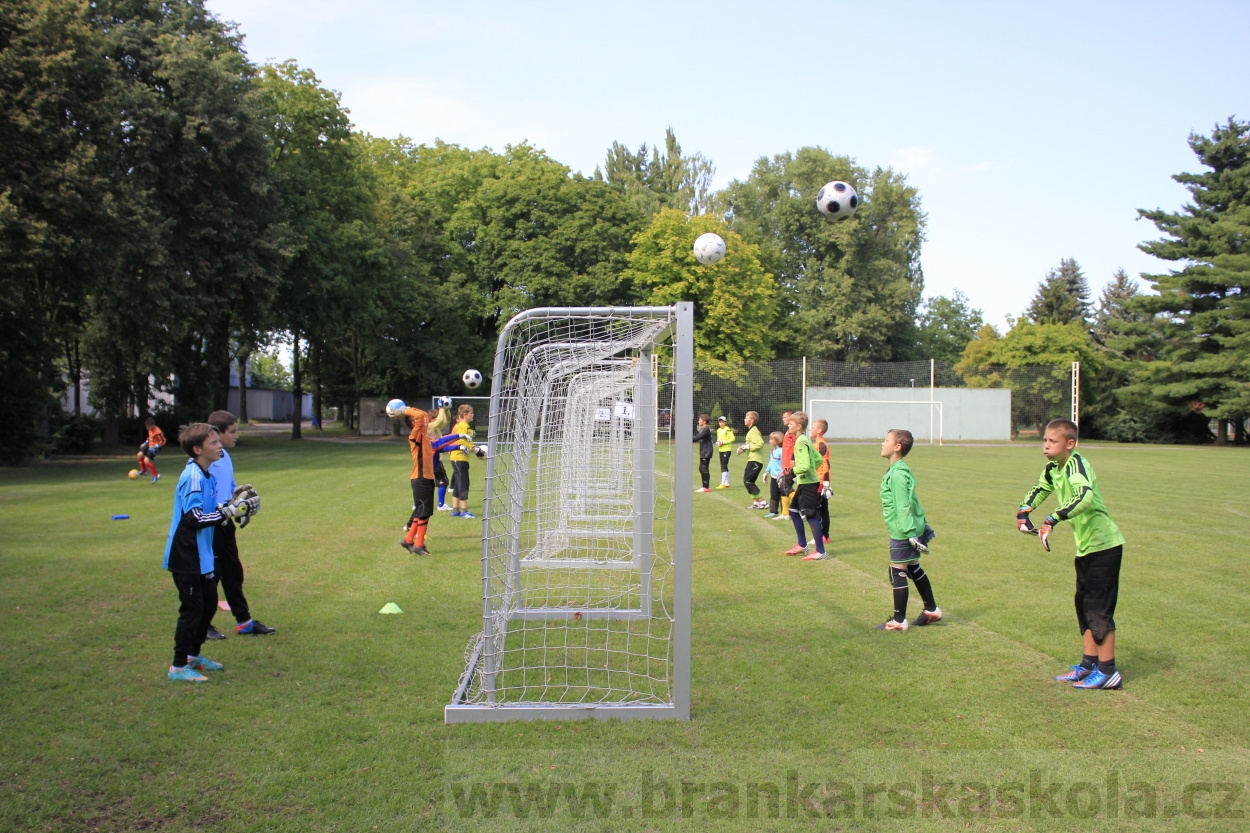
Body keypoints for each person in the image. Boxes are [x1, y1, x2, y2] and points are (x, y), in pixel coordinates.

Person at [1018, 418, 1126, 690]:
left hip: (1105, 545)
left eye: (1052, 441)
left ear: (1070, 444)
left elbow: (1084, 496)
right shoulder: (1054, 467)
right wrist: (1023, 511)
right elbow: (1041, 488)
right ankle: (1089, 664)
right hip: (1087, 547)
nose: (1046, 445)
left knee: (1099, 609)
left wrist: (1053, 518)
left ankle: (1108, 671)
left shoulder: (1077, 464)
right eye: (1045, 440)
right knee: (1083, 606)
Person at [162, 423, 238, 682]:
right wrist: (226, 512)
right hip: (186, 555)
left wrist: (234, 505)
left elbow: (211, 510)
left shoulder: (208, 475)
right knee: (192, 609)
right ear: (197, 449)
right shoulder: (192, 475)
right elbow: (194, 518)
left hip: (204, 553)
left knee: (207, 607)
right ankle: (177, 667)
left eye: (219, 441)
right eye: (214, 443)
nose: (220, 447)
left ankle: (192, 656)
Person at [204, 411, 275, 640]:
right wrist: (224, 509)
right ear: (216, 433)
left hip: (225, 525)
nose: (237, 435)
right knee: (210, 577)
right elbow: (203, 498)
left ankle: (244, 622)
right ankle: (203, 625)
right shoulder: (204, 462)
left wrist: (239, 503)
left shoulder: (224, 456)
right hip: (209, 526)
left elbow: (230, 487)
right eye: (232, 432)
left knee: (233, 572)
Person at [875, 429, 941, 630]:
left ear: (897, 447)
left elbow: (904, 505)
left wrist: (910, 533)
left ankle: (898, 620)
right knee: (912, 567)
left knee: (897, 571)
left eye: (886, 440)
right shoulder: (898, 470)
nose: (882, 443)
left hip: (903, 530)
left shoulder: (898, 474)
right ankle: (931, 610)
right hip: (908, 528)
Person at [399, 402, 450, 554]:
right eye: (417, 422)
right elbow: (422, 415)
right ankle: (419, 545)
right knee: (424, 511)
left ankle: (408, 540)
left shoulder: (426, 438)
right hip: (420, 478)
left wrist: (460, 438)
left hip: (427, 477)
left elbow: (441, 443)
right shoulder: (415, 436)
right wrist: (405, 410)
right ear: (414, 424)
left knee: (423, 510)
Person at [783, 412, 827, 559]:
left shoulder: (801, 441)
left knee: (810, 515)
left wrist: (791, 471)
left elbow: (806, 466)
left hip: (808, 484)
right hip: (806, 482)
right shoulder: (804, 439)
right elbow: (819, 459)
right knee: (793, 510)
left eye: (790, 423)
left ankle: (820, 552)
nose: (788, 425)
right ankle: (802, 544)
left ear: (799, 426)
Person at [447, 404, 477, 518]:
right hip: (459, 458)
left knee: (459, 484)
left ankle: (455, 510)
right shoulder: (462, 425)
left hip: (460, 458)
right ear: (465, 415)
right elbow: (461, 441)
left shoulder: (464, 425)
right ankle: (464, 511)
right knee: (463, 483)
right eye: (471, 413)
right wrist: (474, 448)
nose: (472, 415)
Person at [738, 411, 767, 508]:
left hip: (756, 460)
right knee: (747, 481)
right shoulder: (751, 431)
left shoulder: (754, 431)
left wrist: (748, 446)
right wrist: (743, 448)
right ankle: (756, 503)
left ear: (752, 420)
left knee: (748, 481)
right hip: (751, 459)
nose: (744, 419)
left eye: (747, 417)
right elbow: (750, 445)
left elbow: (759, 443)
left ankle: (763, 502)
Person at [811, 418, 833, 543]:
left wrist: (825, 483)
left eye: (813, 427)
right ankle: (824, 536)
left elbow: (825, 463)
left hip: (819, 481)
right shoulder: (816, 444)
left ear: (819, 430)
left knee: (818, 508)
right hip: (817, 478)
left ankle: (820, 536)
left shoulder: (821, 444)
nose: (811, 429)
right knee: (822, 508)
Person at [775, 410, 796, 520]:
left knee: (786, 487)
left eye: (785, 417)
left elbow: (796, 447)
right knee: (783, 488)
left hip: (791, 465)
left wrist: (793, 460)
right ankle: (785, 513)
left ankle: (803, 506)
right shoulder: (788, 432)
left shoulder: (793, 433)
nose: (783, 419)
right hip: (786, 465)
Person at [137, 417, 166, 483]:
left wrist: (155, 447)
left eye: (148, 426)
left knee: (146, 460)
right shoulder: (150, 429)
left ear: (152, 425)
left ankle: (156, 475)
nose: (147, 428)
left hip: (155, 447)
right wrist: (145, 443)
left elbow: (163, 441)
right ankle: (143, 470)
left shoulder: (158, 432)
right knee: (139, 455)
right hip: (150, 444)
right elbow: (150, 438)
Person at [764, 431, 784, 518]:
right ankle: (773, 511)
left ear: (778, 440)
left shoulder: (782, 451)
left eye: (771, 439)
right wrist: (766, 472)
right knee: (774, 494)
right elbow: (771, 462)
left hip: (781, 477)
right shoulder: (773, 451)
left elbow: (784, 463)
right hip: (773, 477)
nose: (769, 441)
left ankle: (784, 512)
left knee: (783, 495)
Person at [692, 414, 714, 492]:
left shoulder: (706, 429)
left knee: (704, 468)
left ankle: (706, 487)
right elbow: (697, 437)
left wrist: (687, 437)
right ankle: (704, 486)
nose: (699, 421)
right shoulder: (703, 429)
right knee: (701, 468)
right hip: (704, 451)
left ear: (704, 421)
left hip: (706, 451)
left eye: (700, 420)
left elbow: (697, 437)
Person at [714, 416, 735, 489]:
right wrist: (718, 442)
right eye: (720, 422)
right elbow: (718, 439)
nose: (721, 423)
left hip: (727, 450)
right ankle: (726, 483)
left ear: (725, 422)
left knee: (723, 466)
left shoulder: (727, 430)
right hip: (721, 450)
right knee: (724, 466)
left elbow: (732, 438)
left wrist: (724, 442)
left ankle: (723, 483)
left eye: (722, 422)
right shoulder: (718, 430)